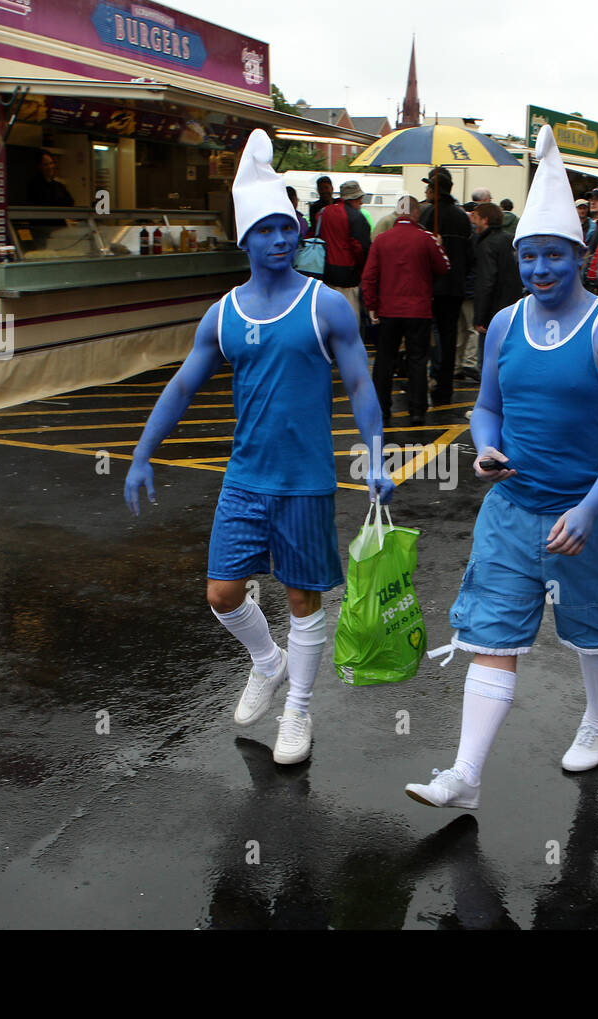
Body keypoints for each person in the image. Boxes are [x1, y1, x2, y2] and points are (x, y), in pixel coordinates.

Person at [122, 132, 393, 766]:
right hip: (245, 478)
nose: (279, 239)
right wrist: (141, 452)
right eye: (266, 229)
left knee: (303, 599)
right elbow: (184, 383)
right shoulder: (223, 314)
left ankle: (298, 710)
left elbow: (359, 383)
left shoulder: (325, 305)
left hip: (305, 481)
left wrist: (376, 455)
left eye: (287, 228)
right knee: (221, 593)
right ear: (244, 239)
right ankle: (266, 662)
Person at [404, 126, 598, 809]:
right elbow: (486, 408)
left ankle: (597, 718)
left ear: (579, 257)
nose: (542, 269)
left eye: (555, 257)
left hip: (585, 512)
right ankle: (465, 775)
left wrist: (592, 506)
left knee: (596, 630)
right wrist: (485, 446)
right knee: (490, 631)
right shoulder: (506, 324)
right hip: (511, 508)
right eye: (531, 256)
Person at [362, 195, 451, 426]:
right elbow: (443, 268)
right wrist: (439, 245)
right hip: (418, 309)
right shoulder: (426, 238)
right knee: (418, 360)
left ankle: (381, 409)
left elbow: (369, 276)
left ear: (398, 211)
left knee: (384, 360)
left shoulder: (381, 239)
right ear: (416, 213)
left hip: (388, 309)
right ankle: (417, 409)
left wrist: (372, 305)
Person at [420, 167, 474, 407]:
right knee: (450, 335)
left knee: (429, 336)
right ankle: (445, 386)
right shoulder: (463, 217)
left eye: (428, 187)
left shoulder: (428, 214)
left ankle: (431, 378)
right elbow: (470, 255)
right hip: (455, 286)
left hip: (431, 285)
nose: (425, 191)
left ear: (434, 190)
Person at [471, 201, 523, 367]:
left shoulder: (487, 244)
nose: (473, 221)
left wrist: (480, 316)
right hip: (512, 307)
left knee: (487, 362)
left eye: (476, 217)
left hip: (492, 311)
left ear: (485, 220)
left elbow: (486, 281)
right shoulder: (510, 240)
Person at [318, 180, 373, 323]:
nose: (361, 203)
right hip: (348, 276)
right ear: (355, 199)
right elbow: (360, 248)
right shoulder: (356, 217)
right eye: (360, 199)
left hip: (326, 272)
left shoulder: (325, 211)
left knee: (329, 317)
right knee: (350, 319)